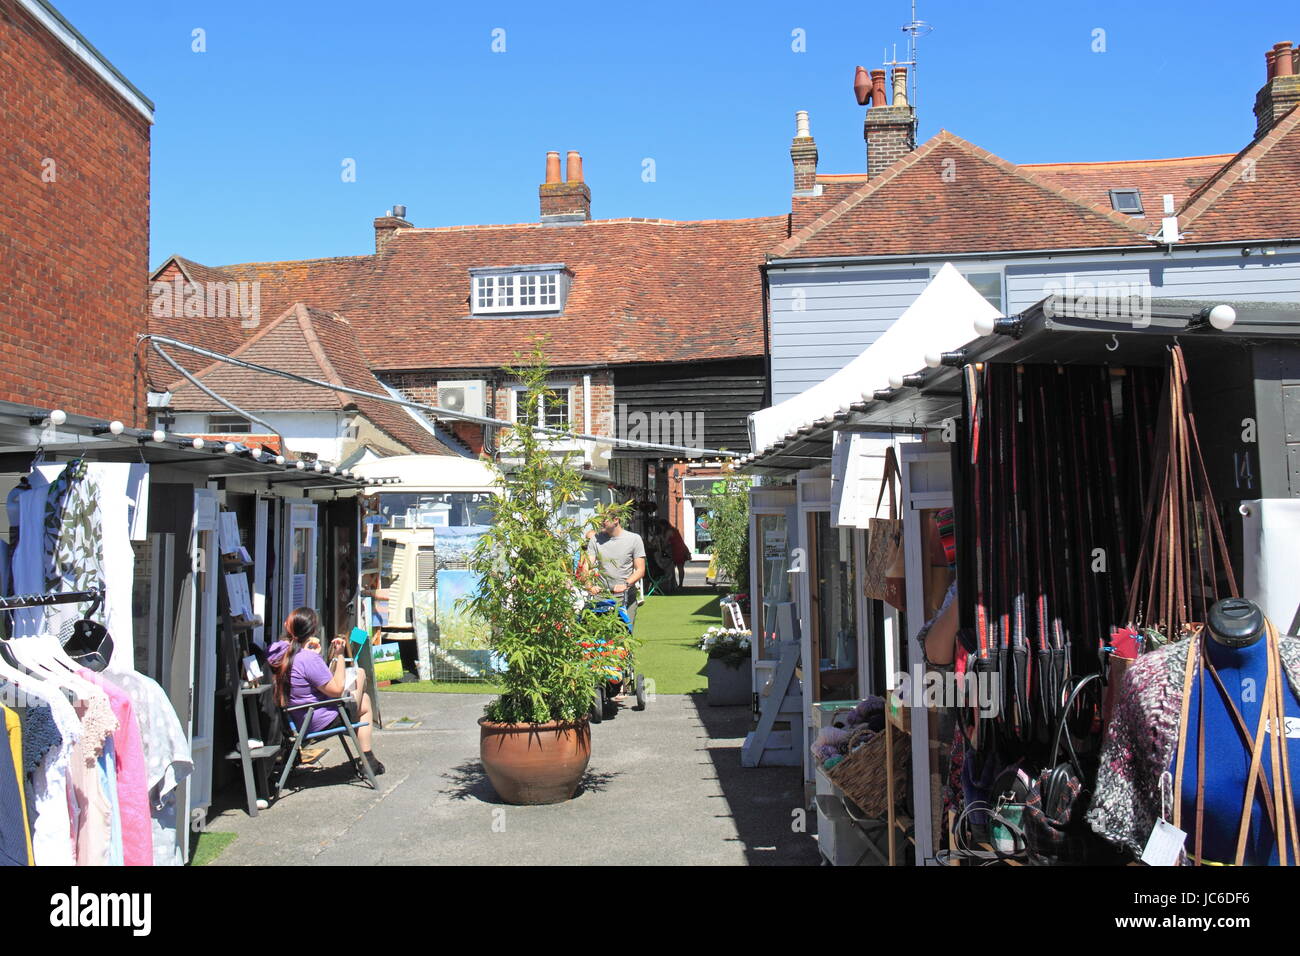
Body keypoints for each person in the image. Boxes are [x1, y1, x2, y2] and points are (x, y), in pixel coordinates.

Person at [267, 607, 384, 776]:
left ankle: (369, 760)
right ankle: (367, 760)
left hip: (294, 716)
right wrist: (339, 655)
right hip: (317, 719)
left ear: (287, 626)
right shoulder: (308, 659)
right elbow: (336, 690)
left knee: (363, 700)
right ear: (313, 630)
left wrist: (306, 650)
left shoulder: (276, 652)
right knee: (360, 680)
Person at [580, 511, 646, 632]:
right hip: (601, 597)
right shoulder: (596, 539)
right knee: (598, 636)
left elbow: (640, 570)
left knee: (623, 636)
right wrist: (589, 585)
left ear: (616, 520)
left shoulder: (634, 539)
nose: (600, 523)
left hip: (625, 597)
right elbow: (587, 566)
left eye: (604, 520)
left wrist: (625, 584)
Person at [657, 518, 690, 589]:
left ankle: (678, 585)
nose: (660, 528)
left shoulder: (668, 531)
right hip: (681, 549)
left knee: (677, 568)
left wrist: (661, 539)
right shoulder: (674, 530)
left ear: (663, 526)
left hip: (677, 550)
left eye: (661, 526)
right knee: (680, 568)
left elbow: (665, 543)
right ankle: (679, 584)